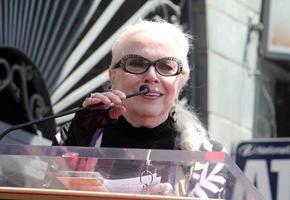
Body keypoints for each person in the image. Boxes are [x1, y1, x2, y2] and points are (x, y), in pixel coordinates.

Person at [53, 19, 226, 198]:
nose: (151, 76)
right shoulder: (75, 136)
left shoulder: (207, 158)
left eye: (166, 66)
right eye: (136, 63)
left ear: (180, 82)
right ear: (112, 76)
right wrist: (77, 141)